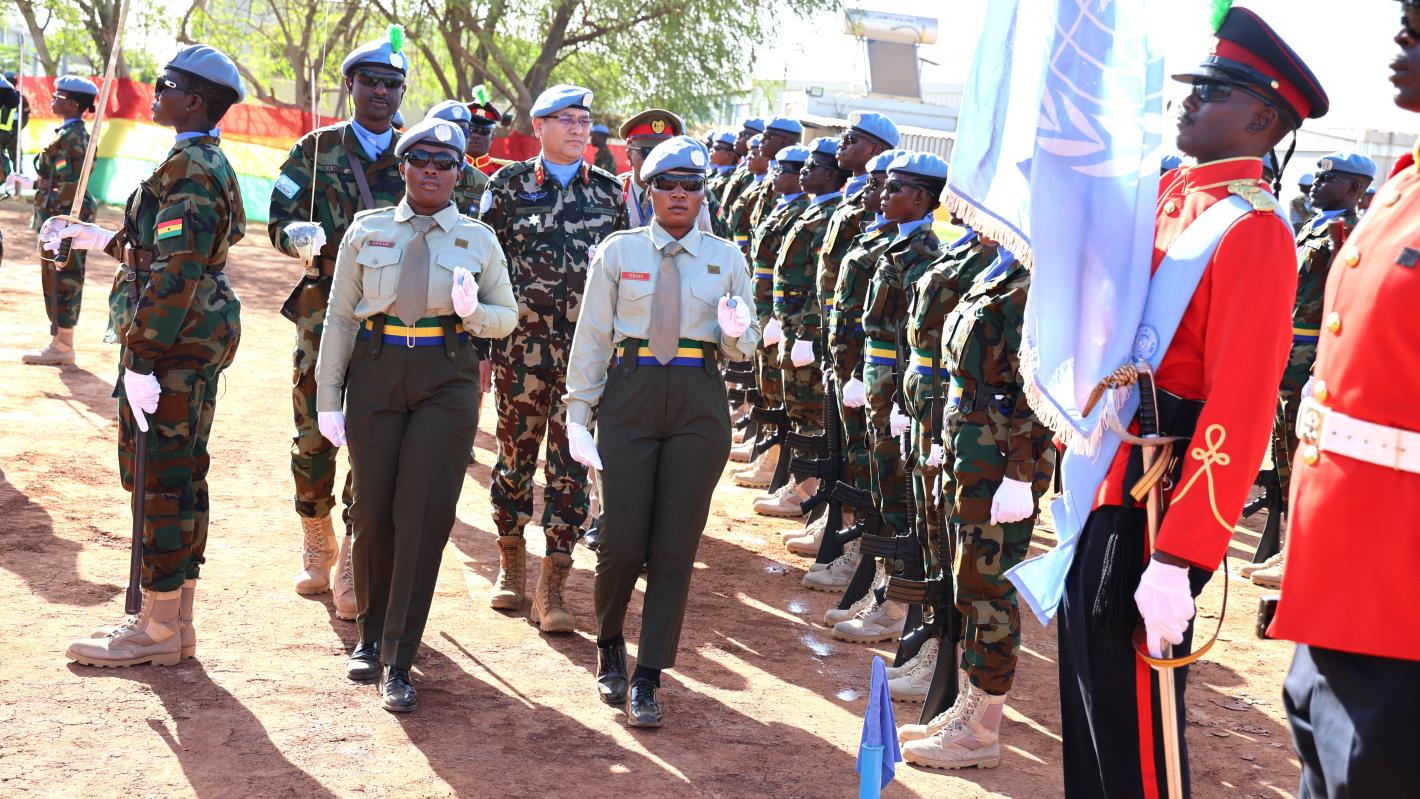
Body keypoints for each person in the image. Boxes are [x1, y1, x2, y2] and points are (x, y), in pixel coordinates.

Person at [1054, 9, 1324, 796]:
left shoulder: (1256, 230)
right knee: (1088, 698)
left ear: (1262, 118)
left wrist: (1183, 555)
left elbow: (1240, 404)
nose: (1191, 100)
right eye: (1196, 85)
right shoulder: (1169, 192)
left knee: (1138, 723)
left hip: (1159, 495)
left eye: (1215, 89)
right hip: (1108, 469)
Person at [50, 45, 246, 668]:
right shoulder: (198, 159)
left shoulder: (191, 166)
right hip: (190, 335)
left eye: (164, 86)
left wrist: (140, 357)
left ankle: (156, 626)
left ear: (193, 101)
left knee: (159, 476)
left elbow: (177, 272)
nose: (154, 94)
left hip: (173, 339)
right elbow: (157, 251)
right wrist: (92, 237)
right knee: (182, 470)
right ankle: (175, 618)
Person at [314, 117, 516, 712]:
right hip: (376, 369)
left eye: (445, 163)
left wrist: (475, 311)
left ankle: (401, 655)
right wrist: (329, 396)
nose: (432, 170)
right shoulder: (366, 230)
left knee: (423, 513)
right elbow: (341, 317)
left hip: (445, 374)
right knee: (373, 512)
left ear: (460, 173)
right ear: (402, 167)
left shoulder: (479, 239)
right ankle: (370, 635)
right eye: (421, 159)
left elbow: (507, 315)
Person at [1269, 6, 1420, 794]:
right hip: (1343, 576)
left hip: (1405, 595)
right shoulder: (1405, 186)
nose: (1403, 39)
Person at [564, 135, 758, 727]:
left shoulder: (727, 258)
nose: (680, 194)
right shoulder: (618, 251)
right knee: (621, 540)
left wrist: (736, 329)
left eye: (692, 185)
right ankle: (608, 642)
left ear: (704, 194)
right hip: (632, 392)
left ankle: (648, 675)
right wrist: (578, 413)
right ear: (647, 191)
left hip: (699, 399)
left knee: (675, 546)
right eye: (668, 184)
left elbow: (744, 349)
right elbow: (593, 337)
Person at [268, 31, 410, 617]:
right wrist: (291, 237)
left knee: (374, 438)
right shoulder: (316, 149)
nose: (380, 91)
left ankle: (353, 552)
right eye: (370, 81)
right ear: (350, 85)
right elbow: (278, 213)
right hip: (324, 312)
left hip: (388, 318)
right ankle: (316, 535)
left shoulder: (416, 154)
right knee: (312, 431)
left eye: (392, 83)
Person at [900, 242, 1056, 769]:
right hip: (972, 453)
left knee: (989, 591)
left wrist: (1018, 475)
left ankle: (983, 730)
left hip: (999, 466)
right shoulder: (1001, 270)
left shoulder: (1038, 284)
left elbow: (1038, 390)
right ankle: (969, 707)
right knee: (969, 584)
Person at [479, 84, 627, 630]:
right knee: (514, 456)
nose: (578, 128)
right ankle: (511, 562)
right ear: (537, 126)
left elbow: (626, 281)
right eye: (565, 119)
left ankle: (554, 584)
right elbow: (483, 268)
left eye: (584, 120)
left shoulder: (612, 195)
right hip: (520, 349)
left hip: (586, 358)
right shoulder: (507, 186)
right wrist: (481, 347)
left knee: (571, 463)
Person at [1244, 151, 1373, 591]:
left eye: (1330, 179)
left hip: (1314, 356)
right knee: (1285, 453)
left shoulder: (1348, 233)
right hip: (1289, 352)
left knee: (1306, 452)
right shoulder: (1314, 227)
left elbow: (1348, 302)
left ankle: (1304, 556)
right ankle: (1291, 548)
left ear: (1355, 189)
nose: (1317, 185)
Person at [833, 152, 945, 645]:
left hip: (897, 381)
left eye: (895, 188)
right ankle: (884, 587)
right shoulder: (896, 244)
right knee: (881, 488)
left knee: (898, 497)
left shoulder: (923, 251)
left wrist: (900, 398)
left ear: (920, 198)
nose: (882, 194)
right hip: (878, 376)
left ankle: (897, 605)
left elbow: (909, 335)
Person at [806, 148, 903, 596]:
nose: (871, 191)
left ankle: (872, 567)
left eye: (881, 184)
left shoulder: (908, 248)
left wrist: (868, 378)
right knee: (856, 466)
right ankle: (860, 555)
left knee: (875, 478)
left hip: (877, 380)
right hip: (852, 370)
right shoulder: (873, 235)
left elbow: (900, 330)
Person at [754, 136, 849, 520]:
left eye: (812, 168)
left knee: (810, 412)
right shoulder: (813, 212)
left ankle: (806, 492)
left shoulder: (827, 215)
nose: (805, 172)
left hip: (805, 330)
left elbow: (822, 283)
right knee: (795, 406)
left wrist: (808, 331)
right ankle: (799, 483)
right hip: (789, 323)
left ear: (830, 175)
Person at [729, 145, 810, 490]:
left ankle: (790, 473)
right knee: (769, 386)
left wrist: (785, 319)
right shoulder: (784, 207)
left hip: (788, 316)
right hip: (766, 305)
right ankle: (770, 455)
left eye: (784, 171)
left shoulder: (803, 211)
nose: (776, 176)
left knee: (790, 398)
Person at [23, 75, 98, 366]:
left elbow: (72, 186)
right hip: (55, 217)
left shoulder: (76, 139)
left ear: (74, 104)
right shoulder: (66, 134)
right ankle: (59, 340)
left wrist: (60, 223)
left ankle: (63, 344)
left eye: (60, 96)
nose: (54, 99)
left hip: (65, 218)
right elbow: (53, 179)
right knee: (54, 276)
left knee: (65, 277)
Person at [425, 100, 486, 215]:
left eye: (463, 130)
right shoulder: (412, 175)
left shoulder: (485, 185)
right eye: (449, 130)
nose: (458, 136)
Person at [718, 117, 765, 213]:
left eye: (744, 134)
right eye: (740, 133)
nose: (738, 137)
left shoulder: (755, 170)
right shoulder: (743, 167)